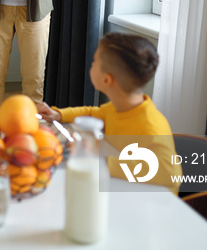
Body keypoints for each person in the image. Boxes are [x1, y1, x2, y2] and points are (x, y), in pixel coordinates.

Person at [37, 32, 182, 193]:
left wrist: (104, 162)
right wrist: (58, 115)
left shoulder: (151, 126)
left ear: (107, 80)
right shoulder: (118, 108)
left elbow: (171, 173)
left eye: (94, 62)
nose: (91, 65)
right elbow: (93, 113)